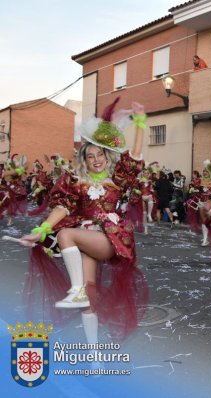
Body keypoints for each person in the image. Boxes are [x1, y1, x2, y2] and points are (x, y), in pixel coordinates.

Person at [19, 98, 148, 348]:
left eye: (100, 154)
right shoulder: (75, 181)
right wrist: (41, 230)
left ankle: (76, 290)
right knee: (89, 300)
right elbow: (62, 207)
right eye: (90, 156)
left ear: (107, 156)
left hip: (110, 238)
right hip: (86, 238)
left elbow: (135, 156)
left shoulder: (118, 179)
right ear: (84, 160)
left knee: (67, 235)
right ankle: (94, 355)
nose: (96, 159)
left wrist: (140, 123)